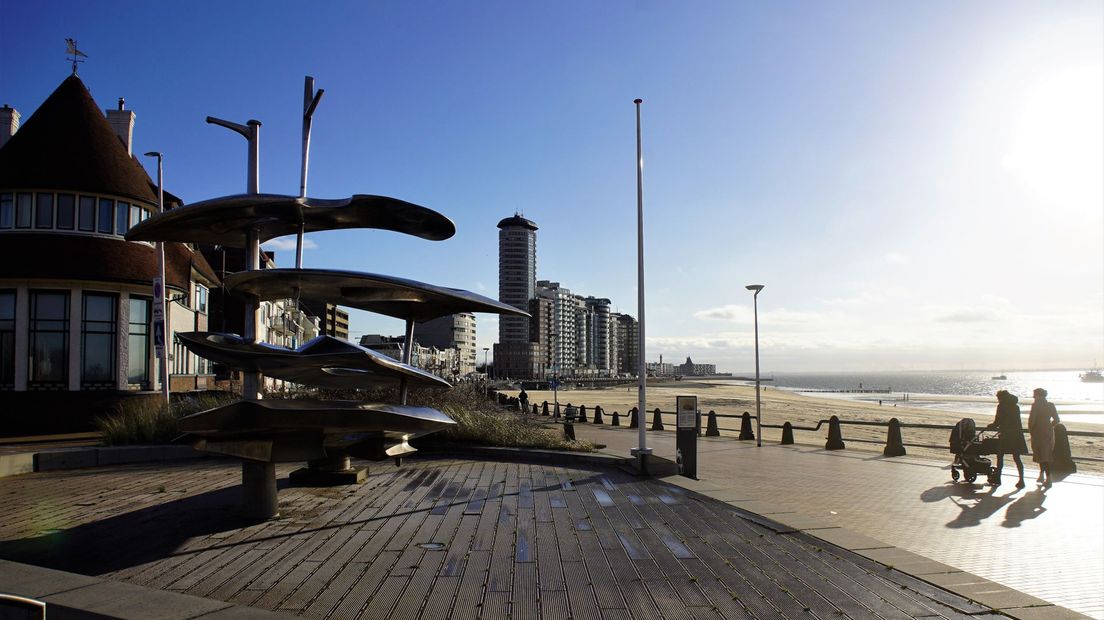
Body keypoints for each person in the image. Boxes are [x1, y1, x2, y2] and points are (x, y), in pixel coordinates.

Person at [987, 390, 1027, 487]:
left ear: (1001, 398)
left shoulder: (1001, 407)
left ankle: (998, 478)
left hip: (1005, 435)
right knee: (1017, 458)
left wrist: (990, 426)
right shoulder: (1015, 407)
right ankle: (1021, 480)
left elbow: (997, 422)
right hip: (1016, 436)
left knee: (1000, 457)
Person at [1028, 387, 1060, 485]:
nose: (1033, 396)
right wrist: (1050, 426)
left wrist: (1031, 430)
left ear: (1037, 395)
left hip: (1038, 431)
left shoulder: (1036, 405)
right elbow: (1057, 419)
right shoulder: (1050, 405)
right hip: (1048, 431)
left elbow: (1032, 420)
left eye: (1034, 394)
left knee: (1040, 454)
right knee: (1047, 454)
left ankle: (1047, 477)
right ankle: (1042, 475)